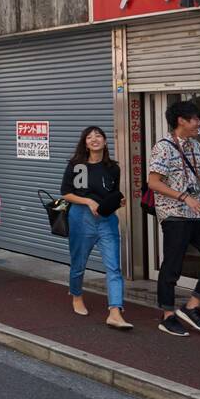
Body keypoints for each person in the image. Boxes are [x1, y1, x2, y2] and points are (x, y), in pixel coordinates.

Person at [147, 100, 200, 337]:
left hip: (197, 214)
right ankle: (167, 315)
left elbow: (199, 184)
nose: (199, 123)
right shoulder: (163, 147)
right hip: (174, 215)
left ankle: (191, 307)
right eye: (195, 119)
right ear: (181, 121)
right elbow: (153, 182)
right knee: (172, 266)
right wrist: (184, 198)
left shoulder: (196, 146)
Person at [61, 126, 132, 329]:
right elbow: (65, 193)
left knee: (113, 267)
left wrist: (119, 201)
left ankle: (115, 311)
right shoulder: (76, 165)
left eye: (98, 136)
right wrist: (87, 202)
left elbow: (112, 192)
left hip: (107, 220)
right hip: (80, 218)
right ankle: (76, 295)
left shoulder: (113, 167)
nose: (94, 139)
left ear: (105, 141)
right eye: (90, 137)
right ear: (85, 143)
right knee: (79, 263)